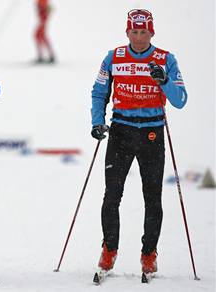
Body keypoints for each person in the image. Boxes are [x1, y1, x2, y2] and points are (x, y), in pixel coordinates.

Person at [90, 9, 187, 275]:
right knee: (112, 196)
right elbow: (99, 92)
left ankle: (148, 253)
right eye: (134, 32)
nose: (139, 38)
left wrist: (163, 80)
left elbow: (180, 99)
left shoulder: (165, 59)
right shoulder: (114, 57)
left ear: (151, 32)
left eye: (144, 32)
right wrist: (97, 121)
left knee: (152, 197)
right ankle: (109, 249)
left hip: (151, 133)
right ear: (127, 32)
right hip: (121, 130)